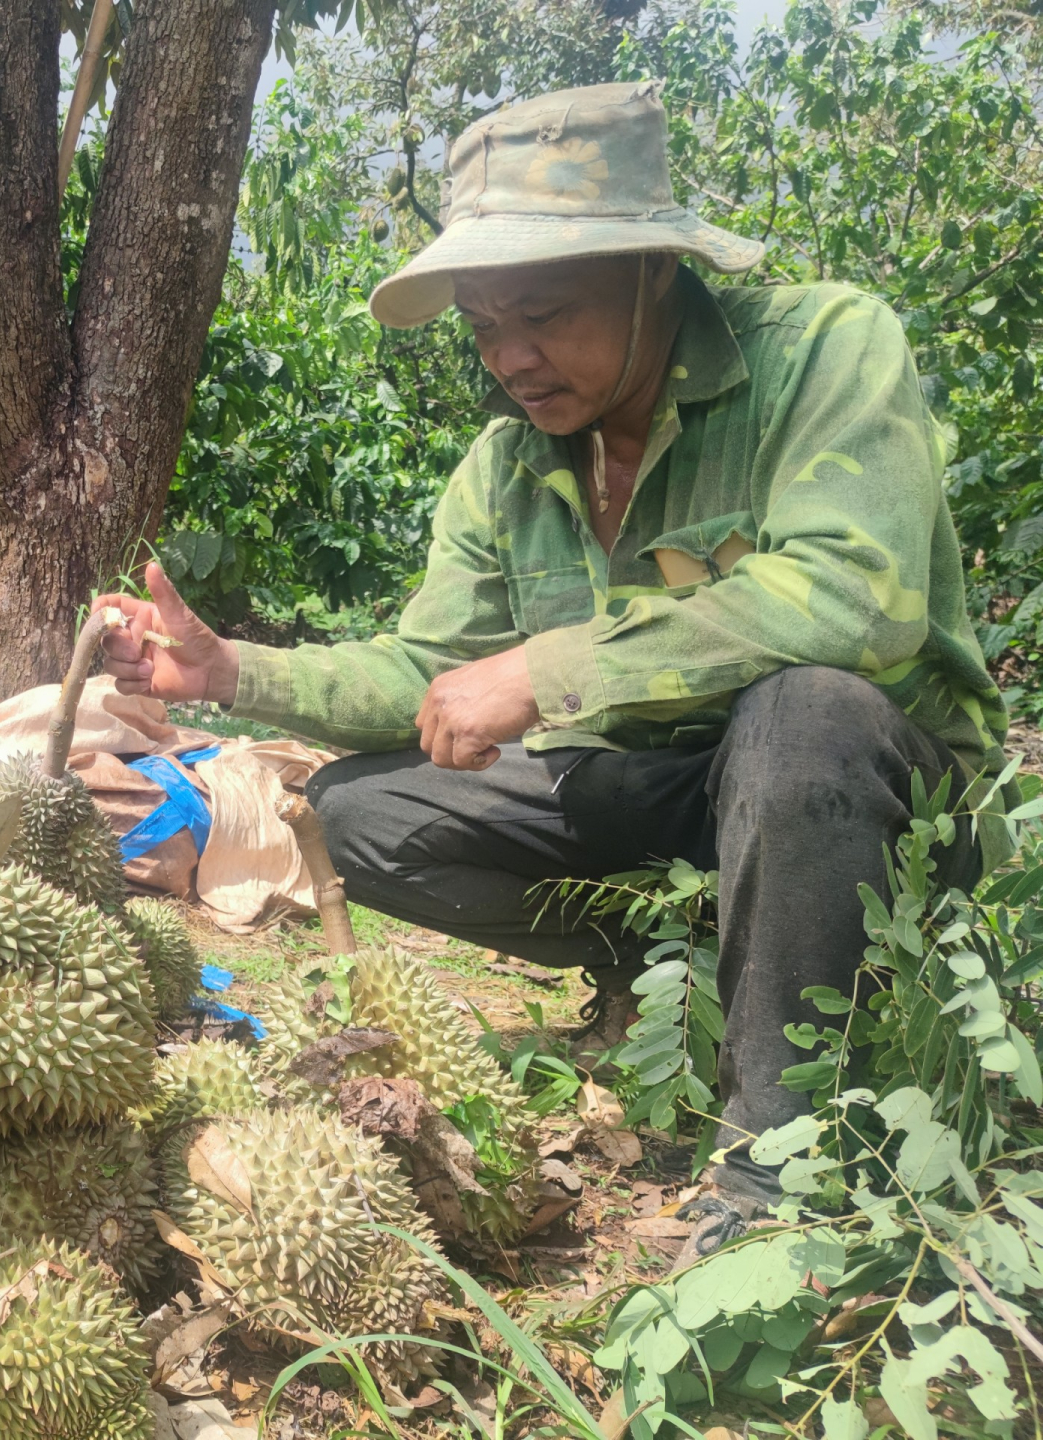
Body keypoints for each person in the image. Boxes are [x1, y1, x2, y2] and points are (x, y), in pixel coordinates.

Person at [93, 80, 1008, 1263]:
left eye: (544, 312)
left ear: (655, 274)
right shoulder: (508, 465)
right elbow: (428, 668)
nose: (510, 357)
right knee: (364, 811)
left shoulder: (825, 349)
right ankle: (671, 966)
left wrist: (553, 667)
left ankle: (783, 1158)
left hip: (884, 803)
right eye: (482, 323)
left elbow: (859, 600)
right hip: (675, 798)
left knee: (807, 713)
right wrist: (224, 669)